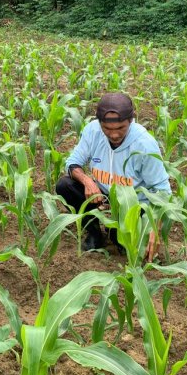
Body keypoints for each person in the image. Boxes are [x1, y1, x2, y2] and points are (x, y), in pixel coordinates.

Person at [56, 92, 171, 259]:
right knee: (65, 186)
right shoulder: (92, 131)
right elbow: (72, 163)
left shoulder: (144, 145)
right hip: (103, 198)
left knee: (121, 241)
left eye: (120, 128)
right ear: (99, 123)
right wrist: (87, 181)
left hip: (133, 207)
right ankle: (95, 233)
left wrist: (154, 227)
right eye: (107, 129)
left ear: (131, 121)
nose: (114, 134)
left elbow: (163, 191)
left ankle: (117, 234)